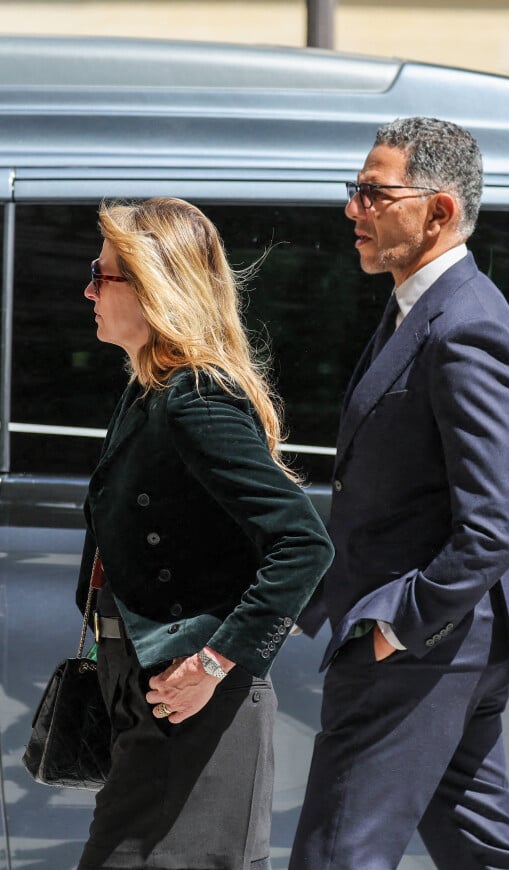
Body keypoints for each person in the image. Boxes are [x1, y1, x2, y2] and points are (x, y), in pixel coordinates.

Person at [289, 117, 509, 869]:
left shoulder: (467, 327)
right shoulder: (419, 306)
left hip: (420, 649)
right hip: (446, 647)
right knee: (481, 850)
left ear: (439, 211)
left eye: (374, 193)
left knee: (336, 853)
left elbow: (491, 529)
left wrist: (393, 627)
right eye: (356, 191)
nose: (354, 209)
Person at [75, 196, 334, 870]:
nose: (88, 289)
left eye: (103, 276)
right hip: (152, 702)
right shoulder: (147, 389)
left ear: (155, 285)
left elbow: (303, 543)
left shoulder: (196, 397)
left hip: (198, 711)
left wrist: (214, 663)